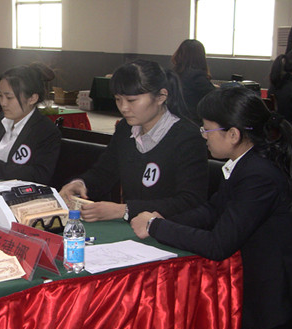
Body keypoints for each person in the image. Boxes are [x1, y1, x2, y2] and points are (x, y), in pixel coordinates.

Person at [131, 86, 292, 329]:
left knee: (180, 312)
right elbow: (212, 210)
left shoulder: (259, 175)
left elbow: (218, 245)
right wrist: (163, 220)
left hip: (284, 301)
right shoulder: (249, 161)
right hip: (272, 285)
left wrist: (155, 227)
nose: (204, 136)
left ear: (233, 134)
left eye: (207, 129)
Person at [59, 60, 208, 222]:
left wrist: (124, 210)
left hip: (171, 228)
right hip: (132, 226)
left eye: (131, 100)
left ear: (161, 97)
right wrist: (80, 184)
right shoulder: (125, 129)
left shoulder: (187, 137)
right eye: (118, 99)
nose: (123, 108)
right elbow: (104, 172)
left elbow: (190, 200)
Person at [171, 39, 215, 124]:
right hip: (193, 121)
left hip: (175, 119)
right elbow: (214, 97)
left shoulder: (174, 74)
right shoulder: (197, 77)